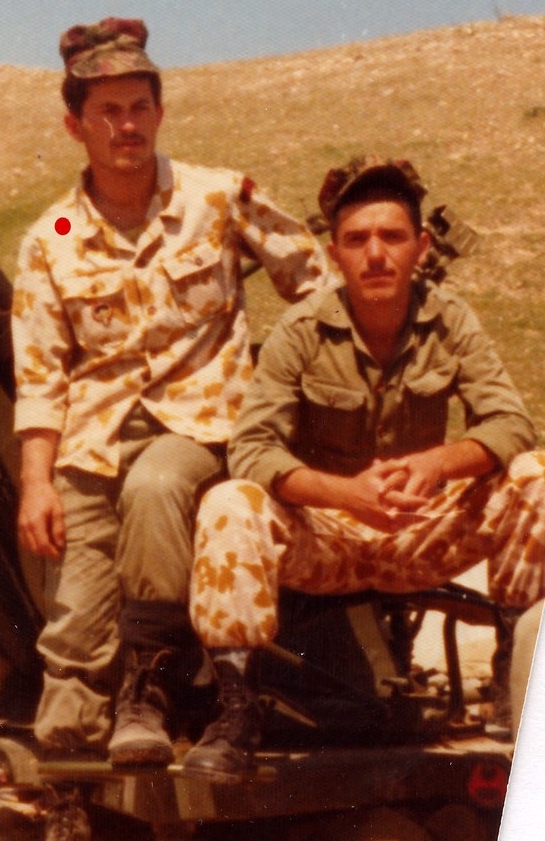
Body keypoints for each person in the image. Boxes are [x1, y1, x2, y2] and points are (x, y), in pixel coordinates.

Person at [10, 17, 328, 773]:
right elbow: (41, 373)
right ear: (75, 125)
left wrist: (294, 388)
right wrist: (36, 482)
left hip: (205, 425)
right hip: (96, 441)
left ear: (159, 111)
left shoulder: (218, 197)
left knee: (155, 486)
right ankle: (77, 772)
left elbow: (316, 285)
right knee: (74, 635)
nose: (126, 126)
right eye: (107, 112)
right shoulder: (54, 233)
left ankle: (148, 693)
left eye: (139, 107)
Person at [184, 155, 545, 780]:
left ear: (420, 247)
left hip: (419, 531)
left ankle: (514, 682)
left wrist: (438, 463)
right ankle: (236, 712)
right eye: (357, 240)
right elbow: (253, 448)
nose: (375, 255)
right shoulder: (301, 331)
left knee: (536, 476)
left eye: (392, 237)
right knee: (230, 502)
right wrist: (344, 494)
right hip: (327, 537)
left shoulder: (450, 319)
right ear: (335, 254)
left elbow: (511, 423)